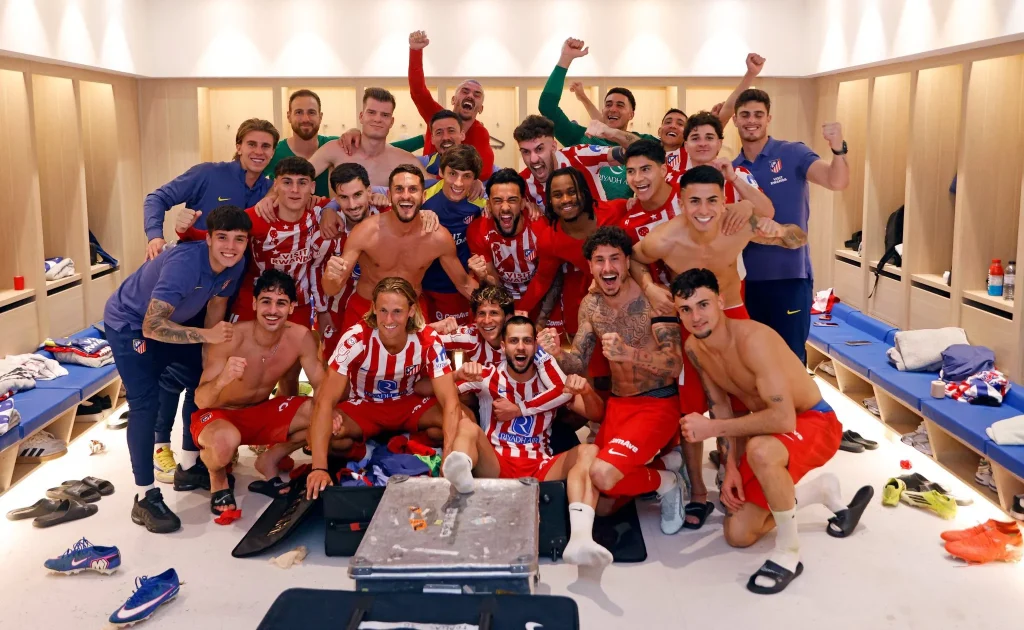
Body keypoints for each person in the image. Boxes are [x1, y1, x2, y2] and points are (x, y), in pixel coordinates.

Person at [673, 268, 871, 594]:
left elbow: (783, 420)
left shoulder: (755, 340)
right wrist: (730, 466)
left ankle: (788, 553)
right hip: (768, 431)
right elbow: (721, 405)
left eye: (703, 304)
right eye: (686, 309)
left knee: (761, 450)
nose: (696, 317)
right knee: (738, 534)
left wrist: (711, 428)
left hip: (814, 422)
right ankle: (820, 492)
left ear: (721, 301)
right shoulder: (695, 348)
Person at [632, 164, 807, 526]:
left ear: (723, 200)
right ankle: (697, 491)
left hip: (732, 312)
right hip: (691, 322)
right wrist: (649, 286)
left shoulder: (739, 224)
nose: (704, 210)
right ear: (681, 202)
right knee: (693, 407)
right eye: (694, 201)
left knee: (748, 400)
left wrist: (780, 229)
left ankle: (740, 477)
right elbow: (635, 259)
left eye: (712, 200)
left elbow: (796, 238)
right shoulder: (664, 238)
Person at [140, 118, 279, 480]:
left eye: (266, 146)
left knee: (200, 373)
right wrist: (156, 235)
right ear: (238, 146)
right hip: (183, 285)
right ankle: (160, 447)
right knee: (172, 375)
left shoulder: (268, 189)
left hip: (223, 293)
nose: (259, 152)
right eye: (252, 144)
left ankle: (195, 448)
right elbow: (157, 197)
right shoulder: (207, 174)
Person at [104, 205, 250, 533]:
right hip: (129, 323)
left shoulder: (235, 263)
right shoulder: (185, 264)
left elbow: (216, 306)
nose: (231, 246)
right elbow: (152, 326)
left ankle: (188, 465)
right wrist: (206, 335)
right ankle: (144, 497)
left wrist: (210, 355)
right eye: (222, 238)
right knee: (146, 403)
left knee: (197, 378)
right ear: (208, 239)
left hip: (173, 322)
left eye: (239, 239)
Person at [538, 227, 688, 535]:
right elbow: (578, 362)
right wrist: (555, 353)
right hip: (619, 406)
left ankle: (670, 483)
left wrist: (629, 354)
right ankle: (661, 468)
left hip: (657, 402)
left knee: (603, 475)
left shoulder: (653, 300)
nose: (608, 268)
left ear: (627, 262)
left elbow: (674, 365)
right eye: (599, 261)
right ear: (590, 267)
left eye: (615, 259)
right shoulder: (590, 306)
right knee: (602, 504)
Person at [442, 316, 611, 567]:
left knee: (590, 450)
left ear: (535, 346)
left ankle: (580, 539)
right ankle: (463, 480)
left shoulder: (552, 383)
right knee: (467, 426)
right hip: (496, 464)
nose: (520, 347)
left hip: (539, 468)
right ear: (503, 346)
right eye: (513, 341)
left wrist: (586, 390)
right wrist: (457, 374)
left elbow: (597, 414)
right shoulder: (488, 375)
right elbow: (434, 392)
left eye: (527, 341)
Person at [176, 156, 330, 396]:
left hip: (297, 304)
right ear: (275, 185)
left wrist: (331, 208)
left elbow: (350, 203)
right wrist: (183, 230)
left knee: (290, 369)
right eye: (287, 182)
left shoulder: (319, 214)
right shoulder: (257, 217)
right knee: (242, 369)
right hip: (252, 301)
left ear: (312, 187)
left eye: (302, 183)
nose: (295, 189)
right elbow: (213, 237)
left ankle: (281, 419)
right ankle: (239, 415)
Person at [541, 37, 763, 198]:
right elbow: (547, 107)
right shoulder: (581, 138)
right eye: (608, 105)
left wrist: (749, 75)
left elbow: (713, 127)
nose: (613, 109)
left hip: (632, 231)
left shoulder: (647, 142)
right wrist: (565, 59)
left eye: (621, 105)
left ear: (632, 114)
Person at [305, 277, 464, 498]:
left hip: (407, 403)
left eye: (397, 311)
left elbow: (450, 401)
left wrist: (449, 457)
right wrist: (319, 468)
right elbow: (324, 400)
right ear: (374, 309)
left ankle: (407, 445)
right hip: (365, 405)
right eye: (383, 311)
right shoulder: (355, 339)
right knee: (322, 435)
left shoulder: (428, 340)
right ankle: (369, 453)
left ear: (411, 311)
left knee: (464, 422)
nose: (389, 319)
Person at [191, 270, 329, 514]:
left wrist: (332, 412)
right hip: (219, 415)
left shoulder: (300, 336)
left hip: (260, 412)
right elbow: (201, 401)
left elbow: (322, 386)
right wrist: (223, 379)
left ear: (292, 307)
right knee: (224, 444)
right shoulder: (231, 337)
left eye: (281, 303)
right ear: (254, 303)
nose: (272, 310)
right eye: (266, 301)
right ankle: (218, 477)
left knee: (324, 415)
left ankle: (269, 459)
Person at [732, 88, 850, 362]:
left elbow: (837, 181)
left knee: (791, 361)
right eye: (745, 115)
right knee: (754, 362)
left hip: (790, 278)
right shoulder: (733, 169)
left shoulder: (792, 153)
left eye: (758, 114)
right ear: (735, 120)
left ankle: (797, 407)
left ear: (768, 118)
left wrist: (838, 148)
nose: (752, 121)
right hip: (745, 282)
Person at [322, 165, 478, 334]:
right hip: (366, 309)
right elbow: (332, 288)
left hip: (411, 312)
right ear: (389, 195)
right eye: (399, 189)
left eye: (413, 189)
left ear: (423, 196)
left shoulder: (438, 237)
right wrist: (330, 276)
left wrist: (497, 308)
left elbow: (464, 284)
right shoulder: (366, 232)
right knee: (354, 361)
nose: (405, 196)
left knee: (417, 361)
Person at [316, 163, 383, 359]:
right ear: (335, 198)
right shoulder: (326, 223)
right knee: (333, 367)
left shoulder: (388, 215)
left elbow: (420, 189)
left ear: (369, 191)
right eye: (344, 198)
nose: (352, 205)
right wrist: (321, 311)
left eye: (358, 195)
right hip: (336, 310)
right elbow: (315, 266)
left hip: (378, 310)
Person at [408, 30, 495, 175]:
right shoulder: (436, 116)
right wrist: (415, 51)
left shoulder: (480, 133)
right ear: (453, 100)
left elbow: (484, 171)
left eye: (477, 94)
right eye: (465, 91)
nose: (470, 96)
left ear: (480, 108)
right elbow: (418, 92)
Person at [420, 145, 487, 325]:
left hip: (459, 289)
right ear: (441, 172)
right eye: (452, 174)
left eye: (466, 176)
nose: (458, 183)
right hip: (423, 289)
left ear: (474, 179)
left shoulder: (481, 205)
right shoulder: (422, 199)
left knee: (459, 347)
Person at [308, 88, 426, 188]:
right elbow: (297, 177)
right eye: (371, 112)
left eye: (385, 115)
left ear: (391, 122)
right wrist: (311, 199)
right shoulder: (336, 149)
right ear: (361, 116)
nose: (377, 119)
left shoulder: (406, 160)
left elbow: (437, 185)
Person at [514, 115, 631, 209]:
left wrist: (614, 133)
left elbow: (639, 151)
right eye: (525, 152)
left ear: (554, 147)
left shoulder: (580, 155)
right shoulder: (523, 183)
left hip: (601, 233)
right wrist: (527, 208)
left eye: (540, 149)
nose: (533, 159)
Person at [263, 89, 337, 197]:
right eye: (299, 112)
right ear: (289, 116)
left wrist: (353, 133)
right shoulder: (274, 153)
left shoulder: (335, 145)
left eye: (311, 112)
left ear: (320, 117)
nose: (305, 119)